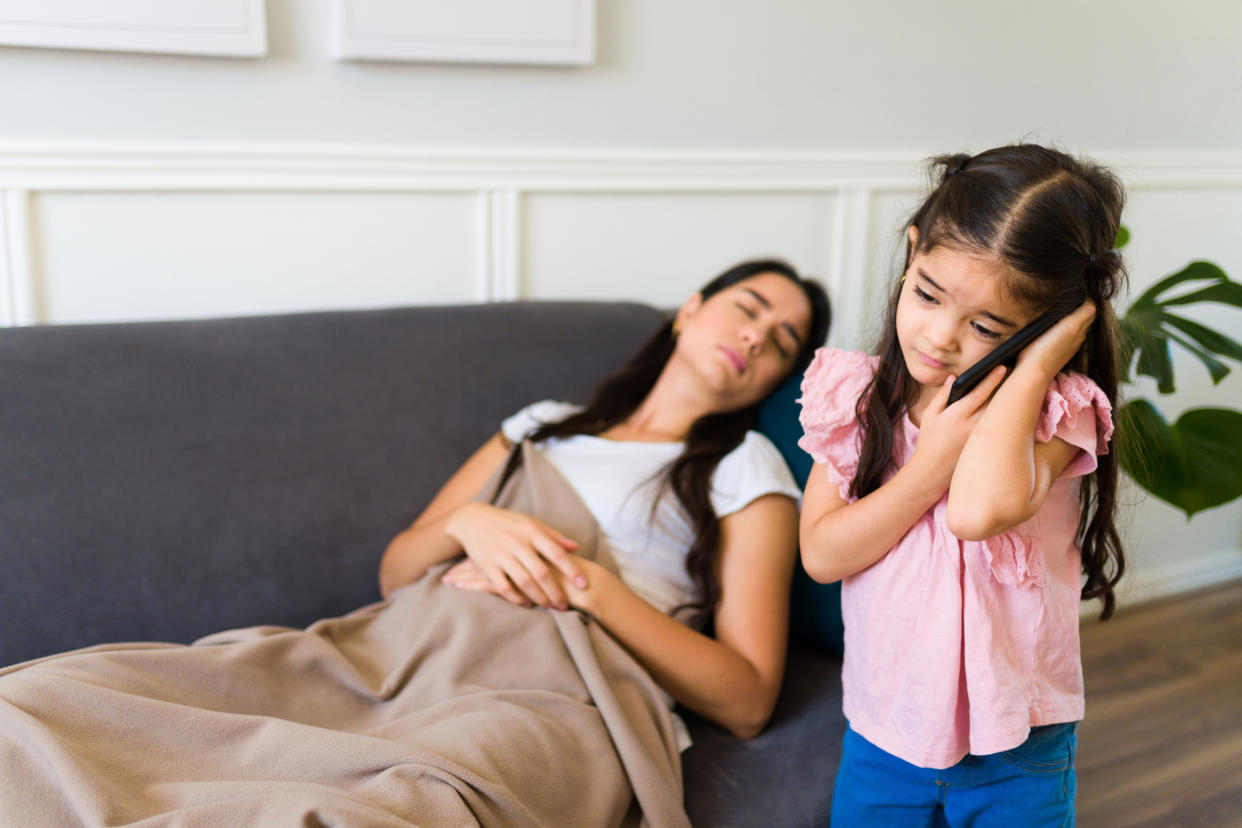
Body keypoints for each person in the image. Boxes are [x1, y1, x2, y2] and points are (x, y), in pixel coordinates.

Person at [797, 144, 1126, 826]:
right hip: (885, 735)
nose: (940, 336)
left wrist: (1032, 370)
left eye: (986, 327)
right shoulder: (855, 398)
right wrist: (929, 464)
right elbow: (823, 555)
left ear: (1049, 327)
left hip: (1018, 748)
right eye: (926, 293)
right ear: (912, 251)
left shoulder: (1056, 414)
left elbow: (979, 512)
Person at [381, 258, 831, 743]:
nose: (755, 338)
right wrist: (468, 523)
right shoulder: (541, 425)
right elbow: (394, 575)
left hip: (537, 694)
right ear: (691, 309)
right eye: (748, 309)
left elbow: (749, 703)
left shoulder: (747, 466)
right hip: (415, 649)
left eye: (782, 345)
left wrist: (584, 586)